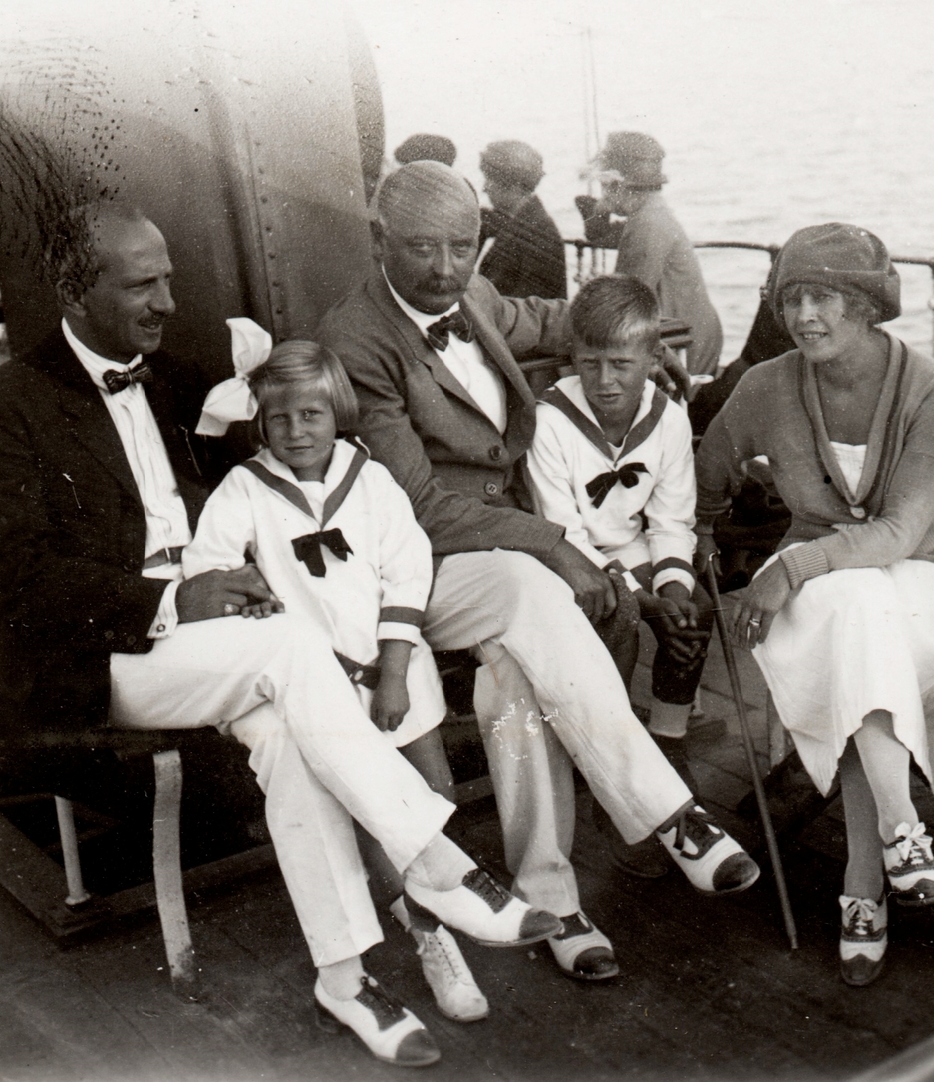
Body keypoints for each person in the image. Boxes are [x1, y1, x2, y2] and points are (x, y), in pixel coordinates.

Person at [0, 201, 565, 1068]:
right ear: (73, 290)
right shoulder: (3, 406)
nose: (167, 301)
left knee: (287, 733)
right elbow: (12, 580)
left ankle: (346, 978)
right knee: (291, 655)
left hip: (231, 645)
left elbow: (294, 454)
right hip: (108, 655)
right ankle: (432, 861)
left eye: (168, 276)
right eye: (142, 285)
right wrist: (174, 600)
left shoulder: (174, 377)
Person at [315, 161, 760, 984]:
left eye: (461, 246)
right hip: (423, 564)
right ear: (380, 240)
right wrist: (549, 540)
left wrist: (633, 339)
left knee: (515, 682)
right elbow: (417, 506)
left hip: (502, 554)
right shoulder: (356, 342)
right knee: (531, 586)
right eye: (422, 248)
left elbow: (540, 316)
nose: (446, 268)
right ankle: (671, 814)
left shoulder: (468, 299)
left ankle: (553, 902)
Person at [696, 223, 934, 987]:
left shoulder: (929, 387)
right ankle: (899, 838)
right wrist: (698, 541)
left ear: (866, 305)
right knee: (859, 610)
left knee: (863, 619)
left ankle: (866, 882)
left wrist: (791, 565)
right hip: (835, 597)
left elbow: (901, 530)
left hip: (930, 584)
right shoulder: (766, 386)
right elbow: (705, 475)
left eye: (824, 297)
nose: (806, 316)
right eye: (792, 297)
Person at [187, 335, 488, 1023]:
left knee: (429, 797)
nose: (297, 431)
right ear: (261, 422)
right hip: (318, 691)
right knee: (369, 816)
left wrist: (395, 667)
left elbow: (408, 568)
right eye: (281, 418)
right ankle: (428, 937)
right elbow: (204, 571)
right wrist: (241, 588)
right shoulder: (245, 490)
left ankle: (428, 914)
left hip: (393, 671)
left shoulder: (371, 479)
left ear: (336, 414)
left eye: (312, 416)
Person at [525, 275, 714, 876]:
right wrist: (638, 597)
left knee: (694, 618)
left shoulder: (669, 419)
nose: (606, 381)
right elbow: (564, 531)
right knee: (620, 623)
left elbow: (671, 520)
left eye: (622, 365)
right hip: (572, 560)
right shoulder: (550, 419)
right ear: (573, 358)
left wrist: (675, 590)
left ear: (653, 359)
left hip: (636, 548)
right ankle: (616, 771)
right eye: (591, 363)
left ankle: (668, 743)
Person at [576, 132, 724, 376]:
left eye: (605, 186)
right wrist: (599, 215)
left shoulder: (646, 224)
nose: (603, 193)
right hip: (692, 333)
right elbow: (611, 237)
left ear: (618, 185)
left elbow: (622, 305)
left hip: (684, 346)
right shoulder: (651, 213)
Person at [478, 140, 567, 300]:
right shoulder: (522, 222)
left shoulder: (539, 233)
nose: (484, 188)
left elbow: (530, 306)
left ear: (514, 185)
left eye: (489, 180)